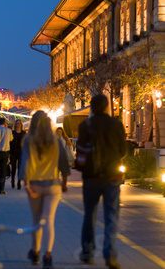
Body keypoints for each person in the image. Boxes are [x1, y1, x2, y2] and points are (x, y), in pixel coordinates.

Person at [77, 95, 126, 269]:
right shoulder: (117, 125)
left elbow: (81, 152)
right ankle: (109, 254)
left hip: (91, 177)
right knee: (111, 215)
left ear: (91, 107)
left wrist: (83, 166)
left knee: (89, 214)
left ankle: (88, 253)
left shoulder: (85, 125)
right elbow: (123, 151)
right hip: (112, 177)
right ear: (107, 107)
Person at [19, 110, 70, 269]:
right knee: (49, 220)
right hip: (53, 185)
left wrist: (26, 185)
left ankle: (35, 253)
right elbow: (64, 162)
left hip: (34, 184)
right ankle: (48, 255)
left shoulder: (29, 141)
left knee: (37, 219)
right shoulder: (56, 141)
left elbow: (26, 162)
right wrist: (64, 183)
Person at [10, 119, 26, 190]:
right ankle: (13, 181)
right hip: (13, 151)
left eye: (19, 123)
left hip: (21, 152)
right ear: (15, 124)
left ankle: (19, 183)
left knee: (20, 168)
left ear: (21, 125)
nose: (18, 124)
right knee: (13, 168)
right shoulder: (12, 132)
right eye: (17, 123)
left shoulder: (23, 133)